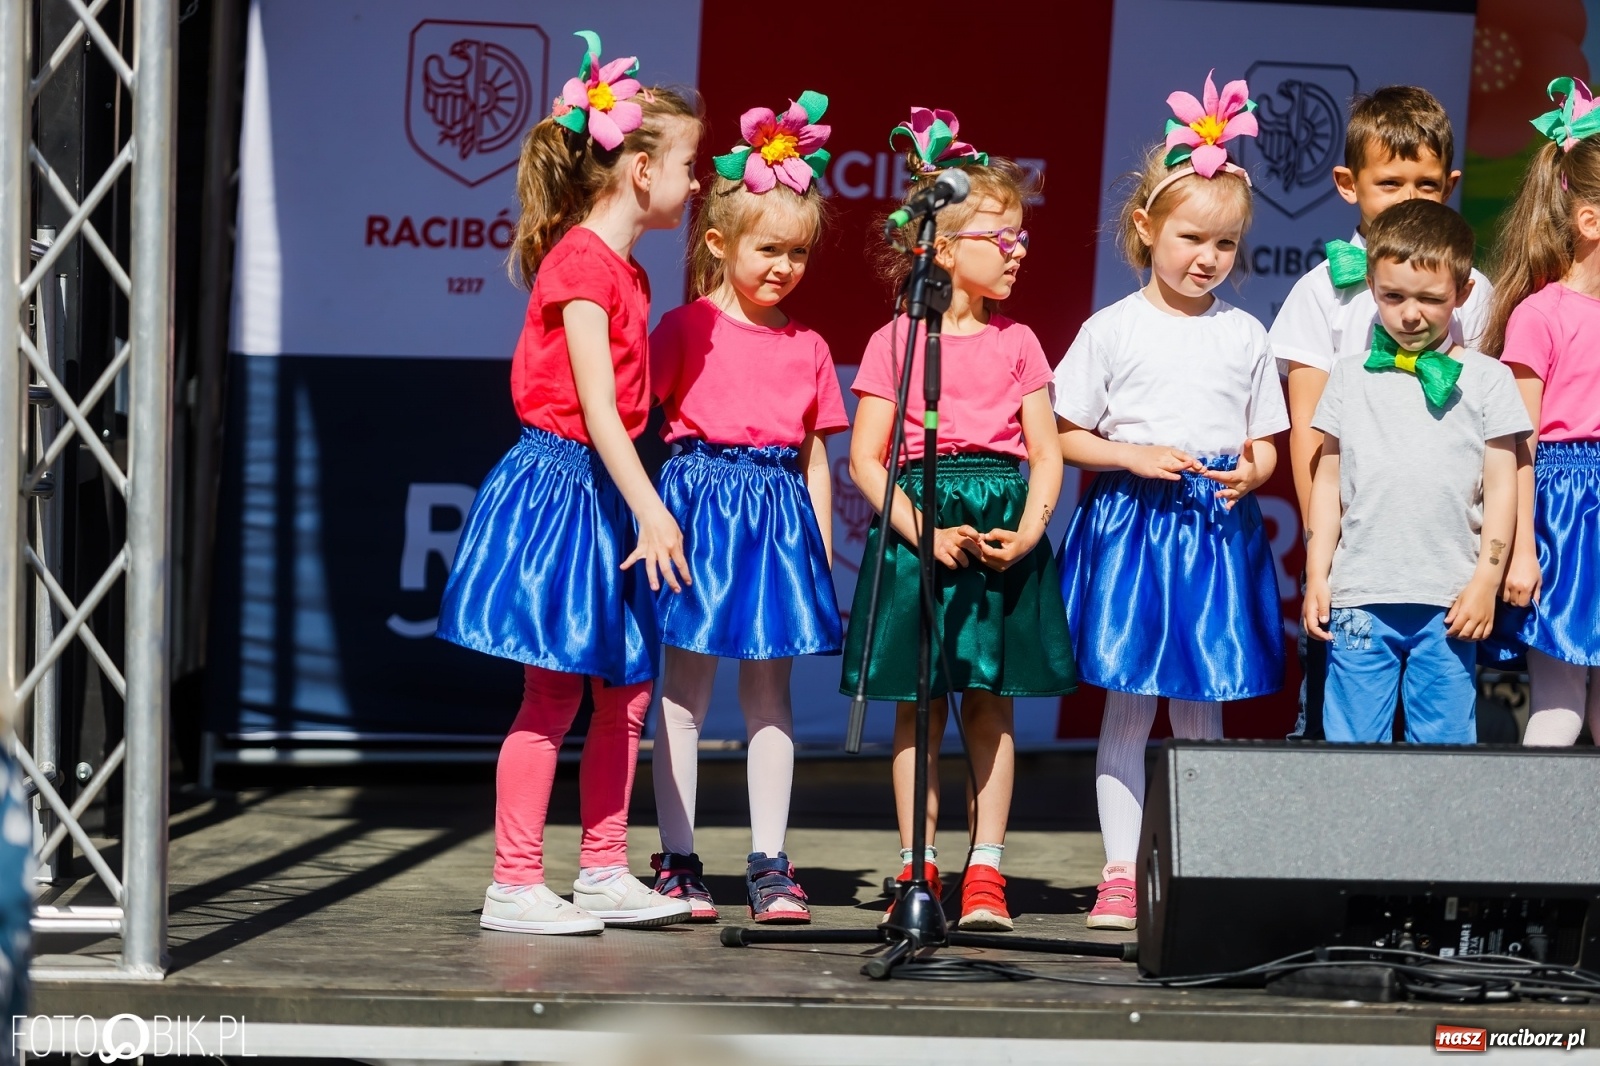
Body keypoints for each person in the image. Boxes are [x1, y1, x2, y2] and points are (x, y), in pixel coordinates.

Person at [435, 32, 701, 935]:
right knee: (551, 693)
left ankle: (601, 868)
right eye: (686, 163)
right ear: (636, 170)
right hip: (565, 488)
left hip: (604, 486)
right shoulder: (581, 266)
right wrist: (653, 507)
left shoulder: (625, 267)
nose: (695, 182)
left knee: (624, 688)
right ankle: (513, 881)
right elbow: (596, 410)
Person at [1054, 73, 1287, 931]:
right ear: (1147, 228)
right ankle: (1120, 870)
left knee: (1202, 701)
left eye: (1225, 245)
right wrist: (1132, 455)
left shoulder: (1245, 333)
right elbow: (1064, 434)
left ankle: (1193, 856)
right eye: (1192, 237)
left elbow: (1269, 440)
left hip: (1212, 528)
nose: (1207, 258)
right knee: (1129, 702)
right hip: (1134, 525)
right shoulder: (1111, 329)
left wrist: (1255, 470)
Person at [841, 108, 1076, 933]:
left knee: (989, 701)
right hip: (921, 522)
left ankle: (986, 870)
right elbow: (866, 458)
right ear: (942, 249)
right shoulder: (894, 340)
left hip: (1001, 521)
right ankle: (918, 865)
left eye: (1020, 237)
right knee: (919, 703)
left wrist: (1034, 528)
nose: (1017, 249)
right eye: (998, 236)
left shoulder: (1022, 342)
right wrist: (923, 531)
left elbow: (1046, 453)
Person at [646, 91, 847, 924]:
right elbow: (634, 427)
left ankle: (770, 863)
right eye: (769, 250)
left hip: (777, 522)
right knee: (684, 691)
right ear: (721, 242)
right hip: (698, 508)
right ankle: (678, 858)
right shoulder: (682, 328)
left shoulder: (810, 346)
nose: (784, 268)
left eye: (798, 254)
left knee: (771, 696)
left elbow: (815, 455)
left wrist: (821, 544)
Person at [1271, 86, 1494, 740]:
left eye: (1427, 184)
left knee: (1439, 732)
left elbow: (1488, 430)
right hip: (1357, 568)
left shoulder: (1469, 293)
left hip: (1442, 561)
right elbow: (1311, 437)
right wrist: (1324, 553)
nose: (1409, 198)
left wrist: (1486, 555)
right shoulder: (1321, 292)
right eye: (1390, 182)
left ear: (1451, 185)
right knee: (1339, 727)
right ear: (1348, 184)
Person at [1303, 199, 1530, 745]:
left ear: (1464, 293)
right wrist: (1317, 577)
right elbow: (1327, 482)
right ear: (1372, 288)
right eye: (1392, 296)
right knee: (1351, 748)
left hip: (1451, 603)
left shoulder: (1488, 380)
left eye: (1431, 299)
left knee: (1445, 749)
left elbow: (1502, 487)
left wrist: (1486, 581)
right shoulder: (1349, 377)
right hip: (1359, 597)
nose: (1411, 314)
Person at [1482, 76, 1600, 747]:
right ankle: (1529, 843)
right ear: (1589, 221)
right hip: (1565, 513)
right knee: (1563, 704)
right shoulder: (1539, 316)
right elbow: (1517, 443)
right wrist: (1520, 550)